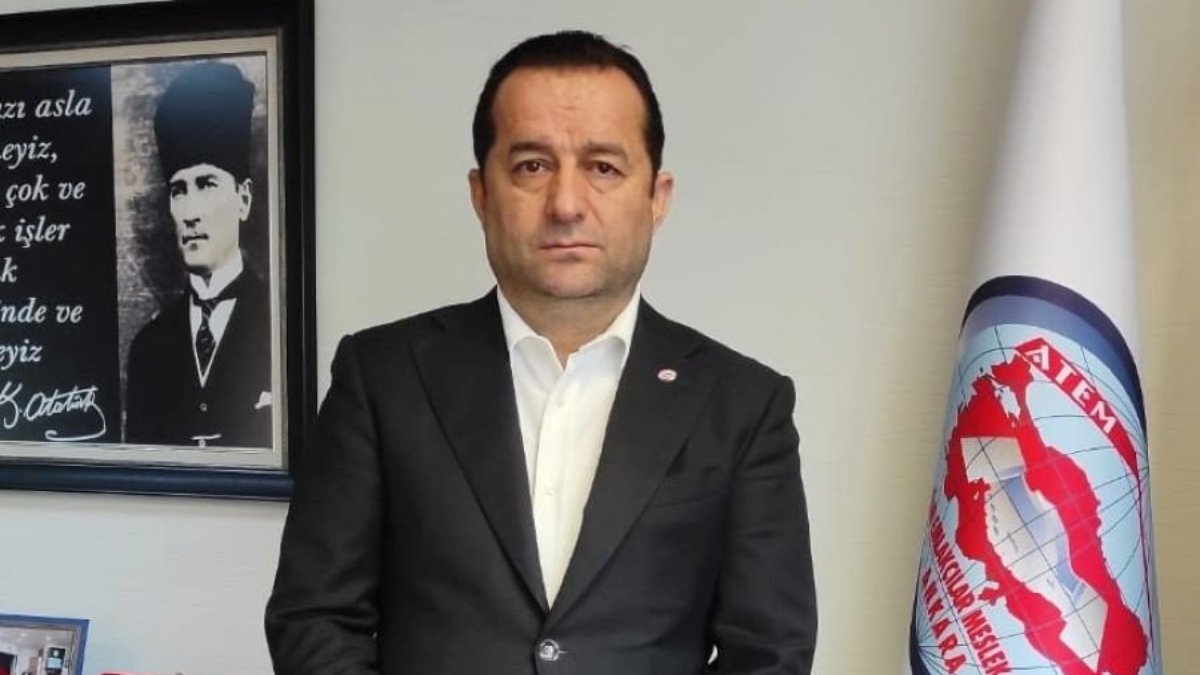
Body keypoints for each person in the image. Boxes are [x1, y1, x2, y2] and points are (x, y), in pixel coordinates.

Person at [265, 31, 816, 674]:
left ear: (657, 198)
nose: (566, 204)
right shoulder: (381, 376)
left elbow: (769, 653)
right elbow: (315, 618)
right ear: (481, 193)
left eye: (603, 167)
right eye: (532, 166)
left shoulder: (743, 404)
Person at [124, 61, 273, 449]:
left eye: (206, 184)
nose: (190, 212)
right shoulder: (149, 348)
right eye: (179, 190)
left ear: (243, 198)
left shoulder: (279, 328)